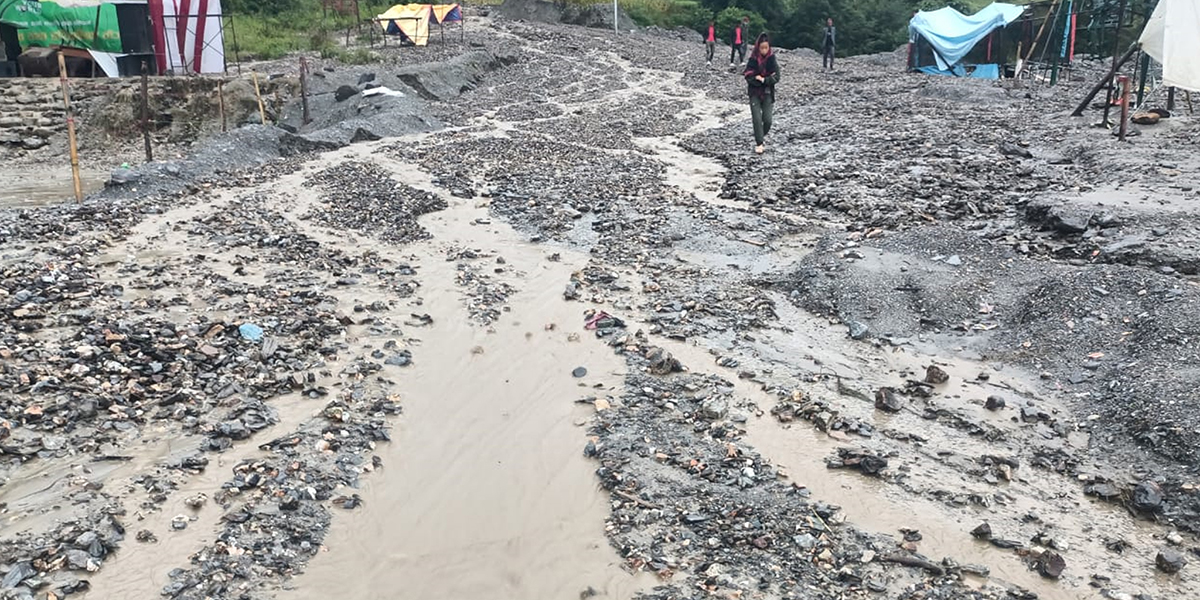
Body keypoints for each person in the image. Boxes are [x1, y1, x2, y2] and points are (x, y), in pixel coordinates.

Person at [744, 32, 779, 154]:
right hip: (754, 93)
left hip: (768, 93)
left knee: (768, 120)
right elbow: (748, 75)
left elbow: (777, 77)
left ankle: (760, 135)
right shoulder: (752, 60)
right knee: (757, 119)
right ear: (758, 48)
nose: (764, 50)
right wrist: (759, 80)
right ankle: (759, 142)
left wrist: (763, 79)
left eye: (766, 48)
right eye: (762, 48)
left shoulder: (772, 60)